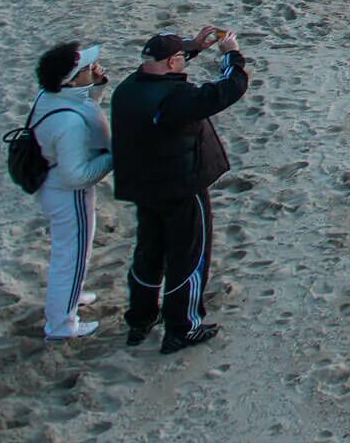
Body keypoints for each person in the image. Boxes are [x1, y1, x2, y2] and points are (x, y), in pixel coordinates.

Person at [110, 27, 249, 354]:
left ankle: (140, 318)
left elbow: (161, 67)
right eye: (181, 59)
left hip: (145, 188)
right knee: (188, 257)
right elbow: (230, 87)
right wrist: (231, 54)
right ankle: (183, 327)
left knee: (148, 253)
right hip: (181, 187)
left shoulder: (128, 89)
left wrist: (193, 47)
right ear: (172, 62)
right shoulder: (176, 99)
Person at [30, 42, 112, 340]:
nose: (94, 69)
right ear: (70, 80)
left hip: (54, 185)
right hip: (67, 193)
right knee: (71, 257)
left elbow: (85, 105)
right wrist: (113, 158)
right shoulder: (68, 124)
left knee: (74, 252)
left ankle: (71, 297)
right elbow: (76, 175)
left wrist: (97, 86)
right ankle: (62, 325)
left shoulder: (52, 96)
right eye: (87, 69)